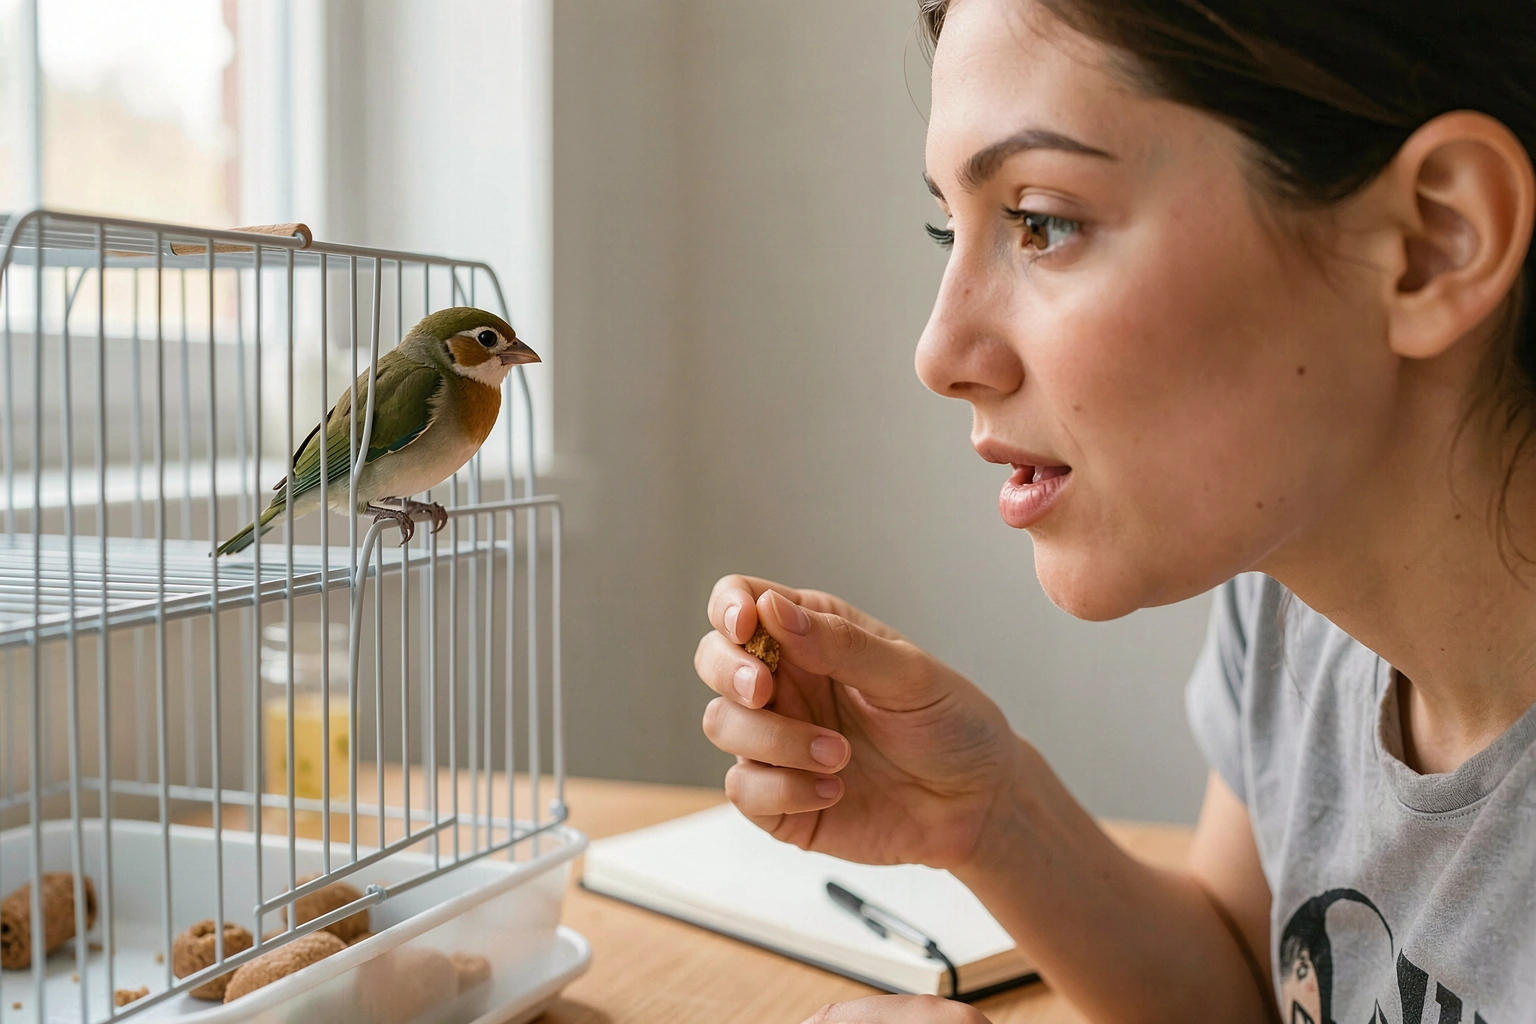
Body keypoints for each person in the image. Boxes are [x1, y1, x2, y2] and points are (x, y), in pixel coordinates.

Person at [692, 0, 1536, 1021]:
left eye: (1042, 222)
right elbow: (1243, 983)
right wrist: (992, 813)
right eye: (945, 227)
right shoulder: (1301, 612)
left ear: (1432, 239)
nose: (939, 353)